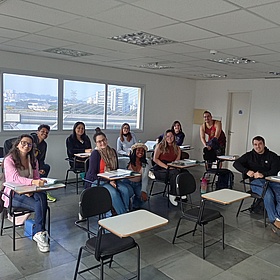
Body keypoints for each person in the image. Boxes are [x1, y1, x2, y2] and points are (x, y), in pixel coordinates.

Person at [2, 134, 49, 253]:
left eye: (29, 144)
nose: (26, 146)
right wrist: (33, 182)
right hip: (13, 194)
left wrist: (39, 182)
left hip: (29, 191)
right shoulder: (9, 159)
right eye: (23, 143)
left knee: (42, 196)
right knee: (41, 205)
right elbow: (15, 179)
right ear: (17, 144)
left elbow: (36, 176)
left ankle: (39, 232)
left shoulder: (33, 160)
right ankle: (40, 232)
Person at [233, 136, 280, 232]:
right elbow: (236, 163)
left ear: (264, 144)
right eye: (255, 144)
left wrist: (263, 174)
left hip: (271, 180)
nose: (257, 146)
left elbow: (275, 170)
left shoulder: (272, 156)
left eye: (260, 144)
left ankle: (278, 217)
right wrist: (246, 171)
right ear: (253, 145)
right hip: (256, 182)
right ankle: (273, 220)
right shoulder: (249, 155)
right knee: (268, 194)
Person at [84, 131, 132, 215]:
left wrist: (113, 179)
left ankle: (125, 210)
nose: (102, 143)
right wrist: (108, 180)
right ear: (96, 143)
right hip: (97, 180)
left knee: (125, 190)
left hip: (112, 179)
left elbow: (116, 169)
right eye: (99, 141)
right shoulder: (95, 154)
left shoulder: (112, 151)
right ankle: (123, 214)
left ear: (107, 140)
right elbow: (92, 174)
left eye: (104, 140)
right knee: (113, 193)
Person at [153, 129, 186, 206]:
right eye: (167, 136)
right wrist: (167, 167)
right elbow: (155, 159)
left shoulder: (177, 148)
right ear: (165, 137)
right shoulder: (160, 146)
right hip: (160, 168)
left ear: (174, 137)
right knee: (174, 173)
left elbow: (177, 161)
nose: (169, 138)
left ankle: (180, 192)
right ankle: (172, 193)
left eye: (171, 136)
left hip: (172, 166)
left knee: (184, 173)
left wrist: (174, 166)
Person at [31, 124, 56, 203]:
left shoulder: (44, 145)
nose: (45, 134)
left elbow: (41, 159)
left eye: (47, 133)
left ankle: (42, 189)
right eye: (42, 131)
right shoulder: (31, 139)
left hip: (36, 165)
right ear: (37, 132)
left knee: (46, 167)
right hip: (27, 164)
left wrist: (40, 168)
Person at [123, 143, 150, 209]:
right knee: (127, 192)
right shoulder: (127, 161)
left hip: (138, 183)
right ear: (134, 151)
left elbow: (145, 178)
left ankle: (135, 205)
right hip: (127, 182)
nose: (140, 152)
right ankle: (126, 206)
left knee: (144, 197)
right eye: (138, 150)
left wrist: (144, 190)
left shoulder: (146, 163)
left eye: (142, 151)